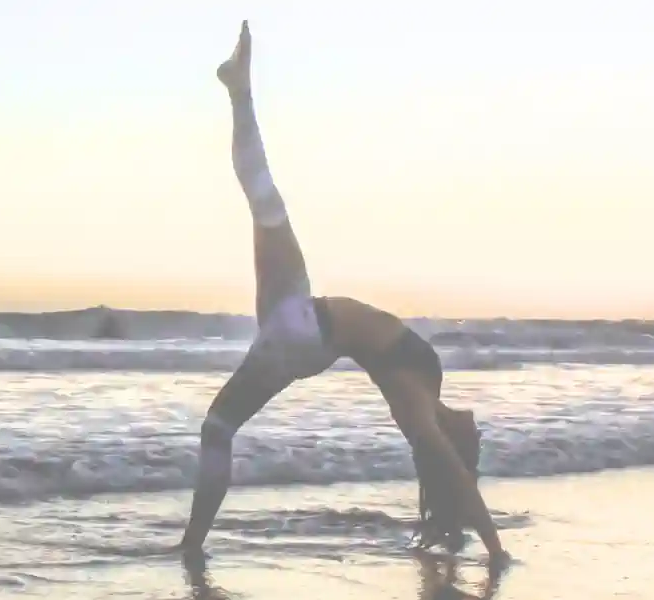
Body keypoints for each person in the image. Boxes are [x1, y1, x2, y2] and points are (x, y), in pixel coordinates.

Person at [175, 20, 510, 565]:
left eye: (476, 442)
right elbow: (451, 466)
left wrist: (496, 551)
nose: (479, 428)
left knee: (265, 199)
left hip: (304, 328)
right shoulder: (429, 389)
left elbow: (450, 471)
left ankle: (240, 89)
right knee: (218, 427)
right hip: (299, 336)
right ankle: (192, 544)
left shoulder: (419, 406)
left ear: (459, 440)